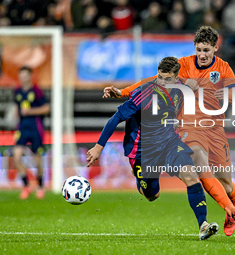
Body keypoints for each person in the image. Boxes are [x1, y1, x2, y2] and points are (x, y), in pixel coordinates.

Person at [102, 26, 235, 236]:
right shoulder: (184, 64)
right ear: (194, 48)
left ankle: (229, 204)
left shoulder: (224, 69)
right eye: (199, 49)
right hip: (188, 127)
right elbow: (153, 81)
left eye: (206, 50)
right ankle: (233, 212)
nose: (202, 54)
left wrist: (221, 95)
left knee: (226, 185)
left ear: (215, 48)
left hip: (215, 129)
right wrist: (123, 92)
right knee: (199, 164)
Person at [88, 57, 219, 240]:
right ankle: (140, 178)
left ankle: (203, 225)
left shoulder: (182, 88)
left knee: (190, 176)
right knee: (152, 195)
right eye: (159, 77)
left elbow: (194, 84)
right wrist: (98, 147)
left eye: (167, 79)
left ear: (175, 78)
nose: (162, 82)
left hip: (169, 143)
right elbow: (116, 118)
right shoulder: (145, 94)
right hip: (143, 151)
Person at [13, 66, 50, 200]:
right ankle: (26, 186)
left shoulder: (37, 91)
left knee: (37, 159)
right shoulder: (17, 91)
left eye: (26, 75)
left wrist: (30, 112)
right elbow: (17, 108)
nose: (23, 78)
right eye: (21, 75)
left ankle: (40, 186)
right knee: (16, 156)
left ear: (30, 76)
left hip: (36, 127)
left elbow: (46, 108)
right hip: (22, 127)